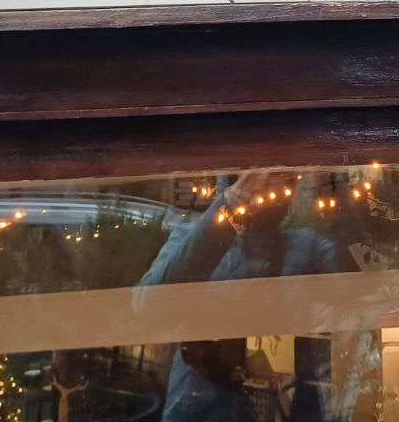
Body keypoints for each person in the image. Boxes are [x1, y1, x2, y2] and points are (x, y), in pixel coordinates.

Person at [139, 171, 346, 422]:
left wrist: (337, 196)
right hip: (199, 406)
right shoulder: (194, 233)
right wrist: (228, 209)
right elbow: (147, 308)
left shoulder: (307, 247)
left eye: (281, 174)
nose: (263, 180)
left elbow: (360, 293)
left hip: (281, 405)